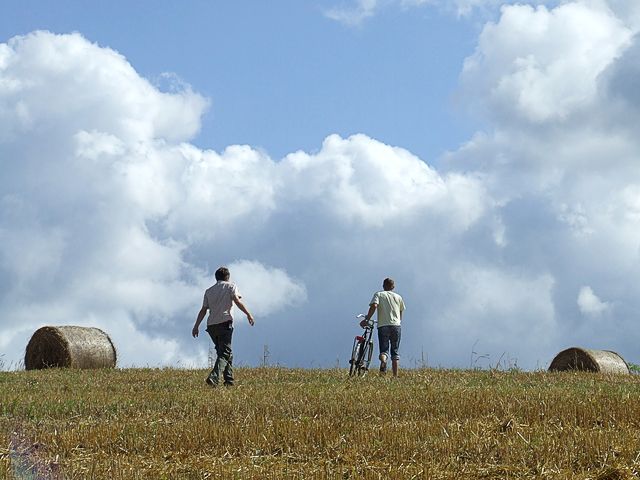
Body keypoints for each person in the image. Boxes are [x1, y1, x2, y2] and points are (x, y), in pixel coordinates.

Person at [192, 266, 254, 386]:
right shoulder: (231, 286)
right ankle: (214, 377)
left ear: (216, 278)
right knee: (225, 353)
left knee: (224, 352)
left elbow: (203, 310)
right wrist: (248, 314)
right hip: (225, 323)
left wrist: (196, 326)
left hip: (211, 326)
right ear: (228, 277)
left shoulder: (209, 291)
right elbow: (237, 301)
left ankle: (229, 381)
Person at [361, 277, 405, 377]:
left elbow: (374, 306)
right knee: (395, 352)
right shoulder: (398, 297)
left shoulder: (379, 294)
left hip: (383, 325)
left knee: (384, 350)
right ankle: (395, 376)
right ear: (393, 287)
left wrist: (367, 318)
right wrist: (399, 320)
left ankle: (384, 361)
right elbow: (401, 310)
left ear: (383, 286)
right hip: (396, 326)